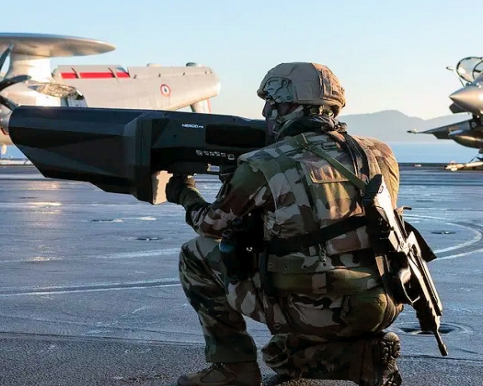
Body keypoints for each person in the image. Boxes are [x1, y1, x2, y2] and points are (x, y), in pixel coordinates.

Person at [165, 62, 403, 386]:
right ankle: (361, 351)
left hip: (312, 308)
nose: (266, 112)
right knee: (281, 353)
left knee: (196, 254)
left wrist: (184, 194)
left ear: (290, 106)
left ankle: (233, 369)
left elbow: (211, 225)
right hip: (383, 301)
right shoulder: (380, 153)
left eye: (271, 104)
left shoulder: (265, 163)